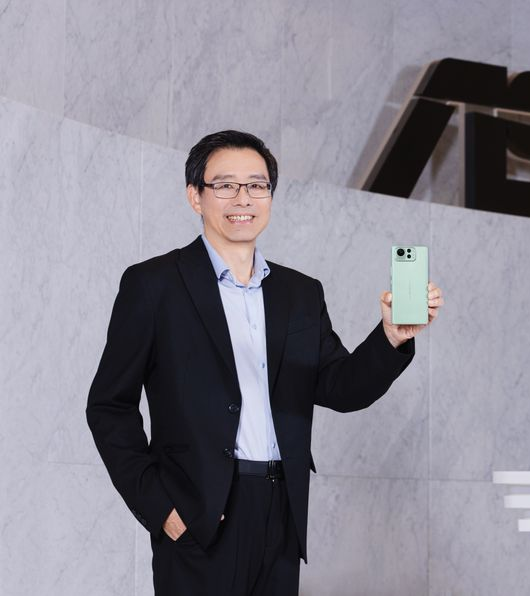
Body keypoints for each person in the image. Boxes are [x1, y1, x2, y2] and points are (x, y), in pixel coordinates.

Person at [85, 130, 443, 595]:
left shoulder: (300, 293)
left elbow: (341, 387)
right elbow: (109, 406)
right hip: (198, 513)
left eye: (257, 185)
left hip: (281, 510)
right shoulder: (154, 285)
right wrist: (162, 508)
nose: (243, 198)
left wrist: (391, 337)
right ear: (195, 196)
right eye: (225, 185)